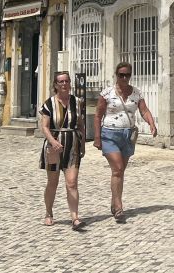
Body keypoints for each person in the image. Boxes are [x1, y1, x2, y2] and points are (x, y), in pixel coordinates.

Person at [93, 62, 157, 222]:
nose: (124, 78)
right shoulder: (107, 93)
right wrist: (97, 137)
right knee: (117, 168)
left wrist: (151, 123)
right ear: (116, 75)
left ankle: (114, 202)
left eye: (127, 75)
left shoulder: (136, 93)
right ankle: (119, 207)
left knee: (120, 172)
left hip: (128, 136)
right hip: (109, 134)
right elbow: (98, 115)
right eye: (121, 75)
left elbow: (144, 110)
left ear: (130, 75)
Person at [39, 71, 85, 231]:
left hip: (72, 145)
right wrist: (53, 142)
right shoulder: (49, 104)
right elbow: (45, 127)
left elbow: (80, 124)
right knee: (53, 182)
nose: (64, 84)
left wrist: (82, 144)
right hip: (54, 147)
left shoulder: (77, 102)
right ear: (56, 85)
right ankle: (48, 212)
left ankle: (75, 217)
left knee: (72, 182)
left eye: (66, 81)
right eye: (61, 82)